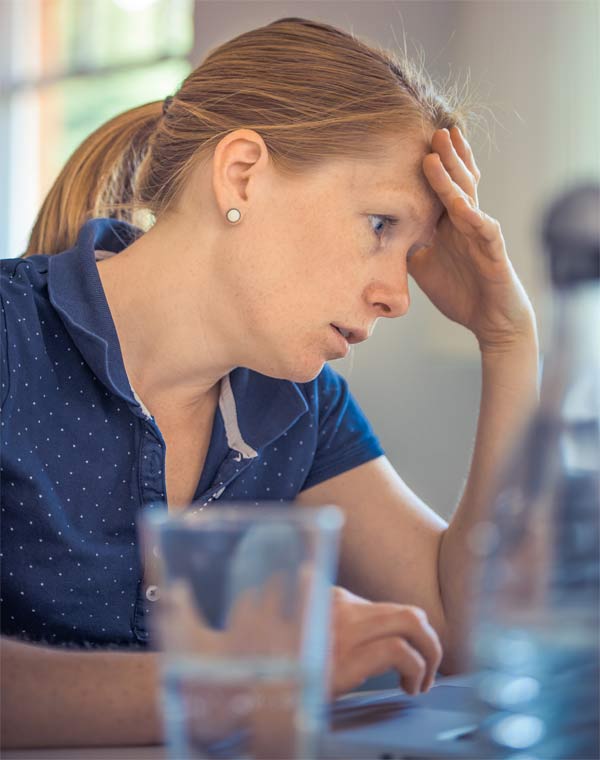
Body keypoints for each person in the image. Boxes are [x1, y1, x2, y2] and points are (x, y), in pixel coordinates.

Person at [0, 16, 539, 750]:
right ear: (242, 174)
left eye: (411, 253)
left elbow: (465, 631)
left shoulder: (299, 406)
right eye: (380, 223)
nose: (398, 296)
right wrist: (247, 681)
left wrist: (508, 341)